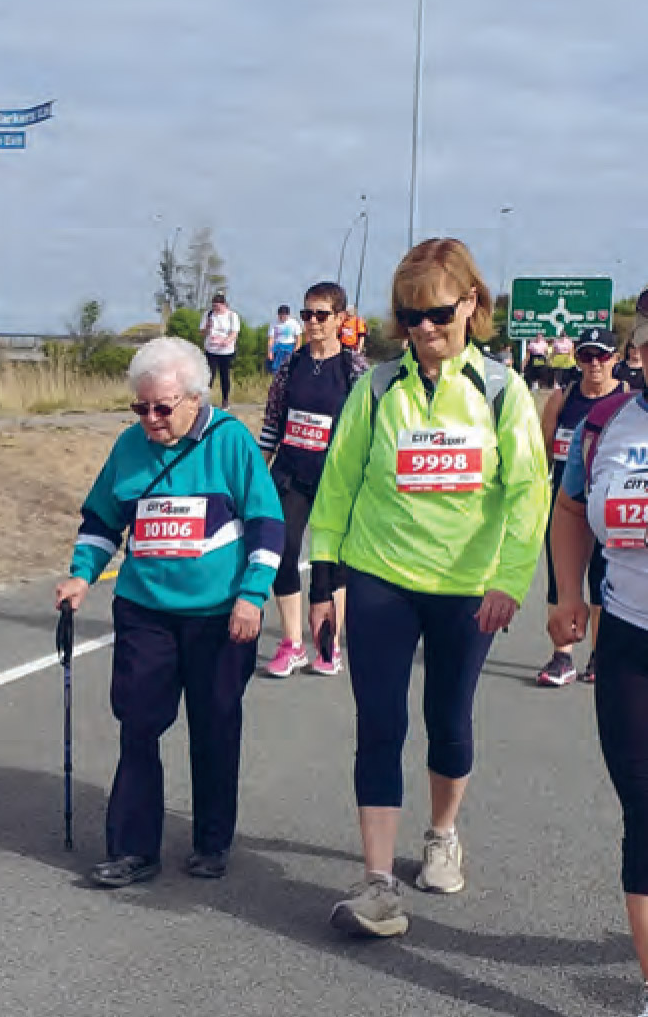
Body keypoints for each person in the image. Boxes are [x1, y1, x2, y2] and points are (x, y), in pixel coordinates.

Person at [310, 239, 548, 938]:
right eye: (410, 316)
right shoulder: (377, 388)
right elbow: (338, 484)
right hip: (382, 573)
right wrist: (326, 580)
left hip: (466, 586)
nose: (423, 329)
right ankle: (378, 882)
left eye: (438, 313)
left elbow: (530, 489)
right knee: (379, 723)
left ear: (472, 304)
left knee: (449, 719)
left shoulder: (501, 390)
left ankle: (441, 834)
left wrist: (509, 579)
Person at [58, 338, 282, 887]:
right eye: (141, 407)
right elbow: (102, 520)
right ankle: (133, 849)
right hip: (145, 610)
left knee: (214, 727)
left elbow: (267, 524)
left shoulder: (230, 442)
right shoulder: (129, 448)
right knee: (138, 726)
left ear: (194, 398)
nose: (151, 419)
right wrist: (81, 574)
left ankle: (211, 841)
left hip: (219, 615)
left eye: (163, 407)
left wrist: (253, 594)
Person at [547, 369, 648, 1017]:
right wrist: (566, 593)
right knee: (646, 811)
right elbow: (571, 509)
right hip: (630, 644)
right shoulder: (604, 424)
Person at [256, 282, 368, 677]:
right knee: (281, 550)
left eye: (322, 315)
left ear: (341, 319)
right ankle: (292, 643)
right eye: (307, 315)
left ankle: (328, 645)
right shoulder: (291, 365)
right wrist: (257, 473)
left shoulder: (354, 369)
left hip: (335, 480)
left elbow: (368, 430)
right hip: (290, 472)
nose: (313, 323)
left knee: (330, 565)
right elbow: (273, 422)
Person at [534, 325, 621, 687]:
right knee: (561, 579)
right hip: (566, 504)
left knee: (602, 580)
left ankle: (599, 655)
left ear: (615, 359)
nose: (594, 364)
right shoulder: (563, 398)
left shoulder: (625, 403)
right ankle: (562, 656)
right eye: (586, 356)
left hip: (608, 505)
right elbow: (542, 450)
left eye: (601, 356)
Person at [201, 293, 242, 406]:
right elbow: (202, 332)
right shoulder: (208, 315)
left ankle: (225, 399)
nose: (216, 309)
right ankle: (204, 400)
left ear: (224, 305)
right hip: (211, 349)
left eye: (218, 307)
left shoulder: (232, 316)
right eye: (214, 306)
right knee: (209, 375)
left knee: (224, 375)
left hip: (226, 351)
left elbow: (234, 333)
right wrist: (207, 327)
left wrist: (226, 341)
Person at [267, 304, 301, 374]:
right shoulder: (274, 323)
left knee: (288, 366)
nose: (282, 317)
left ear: (288, 315)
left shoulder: (294, 323)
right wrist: (270, 352)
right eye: (280, 315)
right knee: (274, 366)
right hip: (278, 345)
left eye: (284, 315)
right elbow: (271, 339)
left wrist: (296, 350)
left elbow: (298, 339)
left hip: (289, 345)